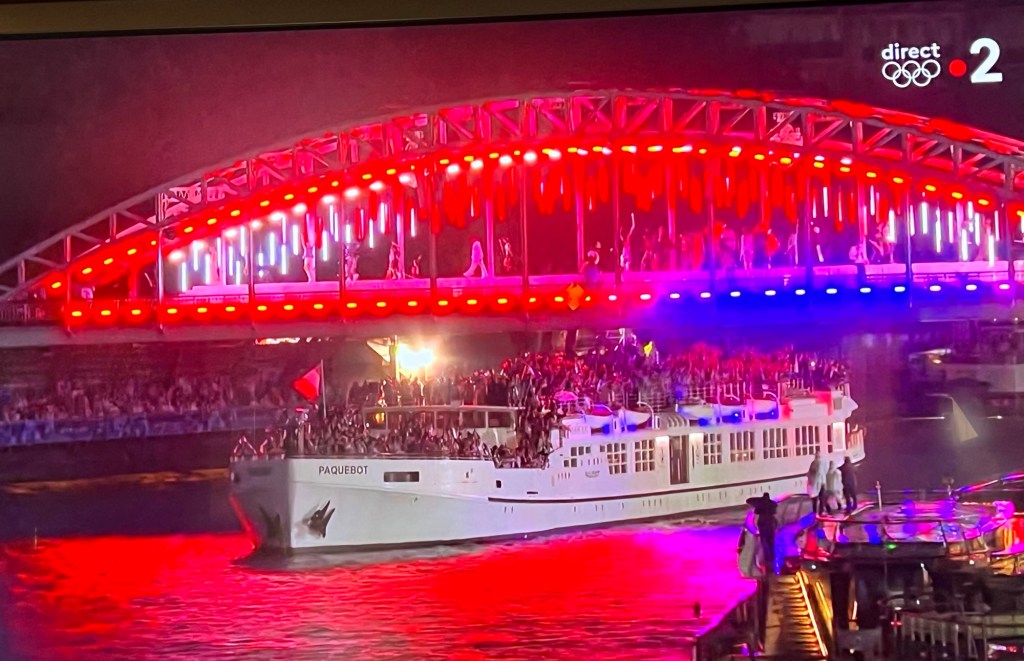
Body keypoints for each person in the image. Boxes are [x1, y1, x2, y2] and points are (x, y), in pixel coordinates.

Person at [745, 493, 777, 573]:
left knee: (764, 541)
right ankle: (771, 557)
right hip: (770, 523)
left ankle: (767, 558)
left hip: (763, 523)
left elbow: (750, 503)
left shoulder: (761, 504)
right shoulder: (773, 505)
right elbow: (774, 512)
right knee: (771, 542)